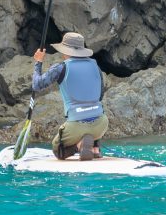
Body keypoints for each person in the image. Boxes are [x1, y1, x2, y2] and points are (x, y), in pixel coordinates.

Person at [31, 32, 108, 161]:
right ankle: (95, 147)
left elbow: (37, 85)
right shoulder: (95, 65)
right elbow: (100, 95)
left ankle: (79, 146)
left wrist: (38, 62)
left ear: (66, 50)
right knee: (94, 108)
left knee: (58, 150)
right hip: (101, 125)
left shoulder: (61, 68)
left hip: (75, 126)